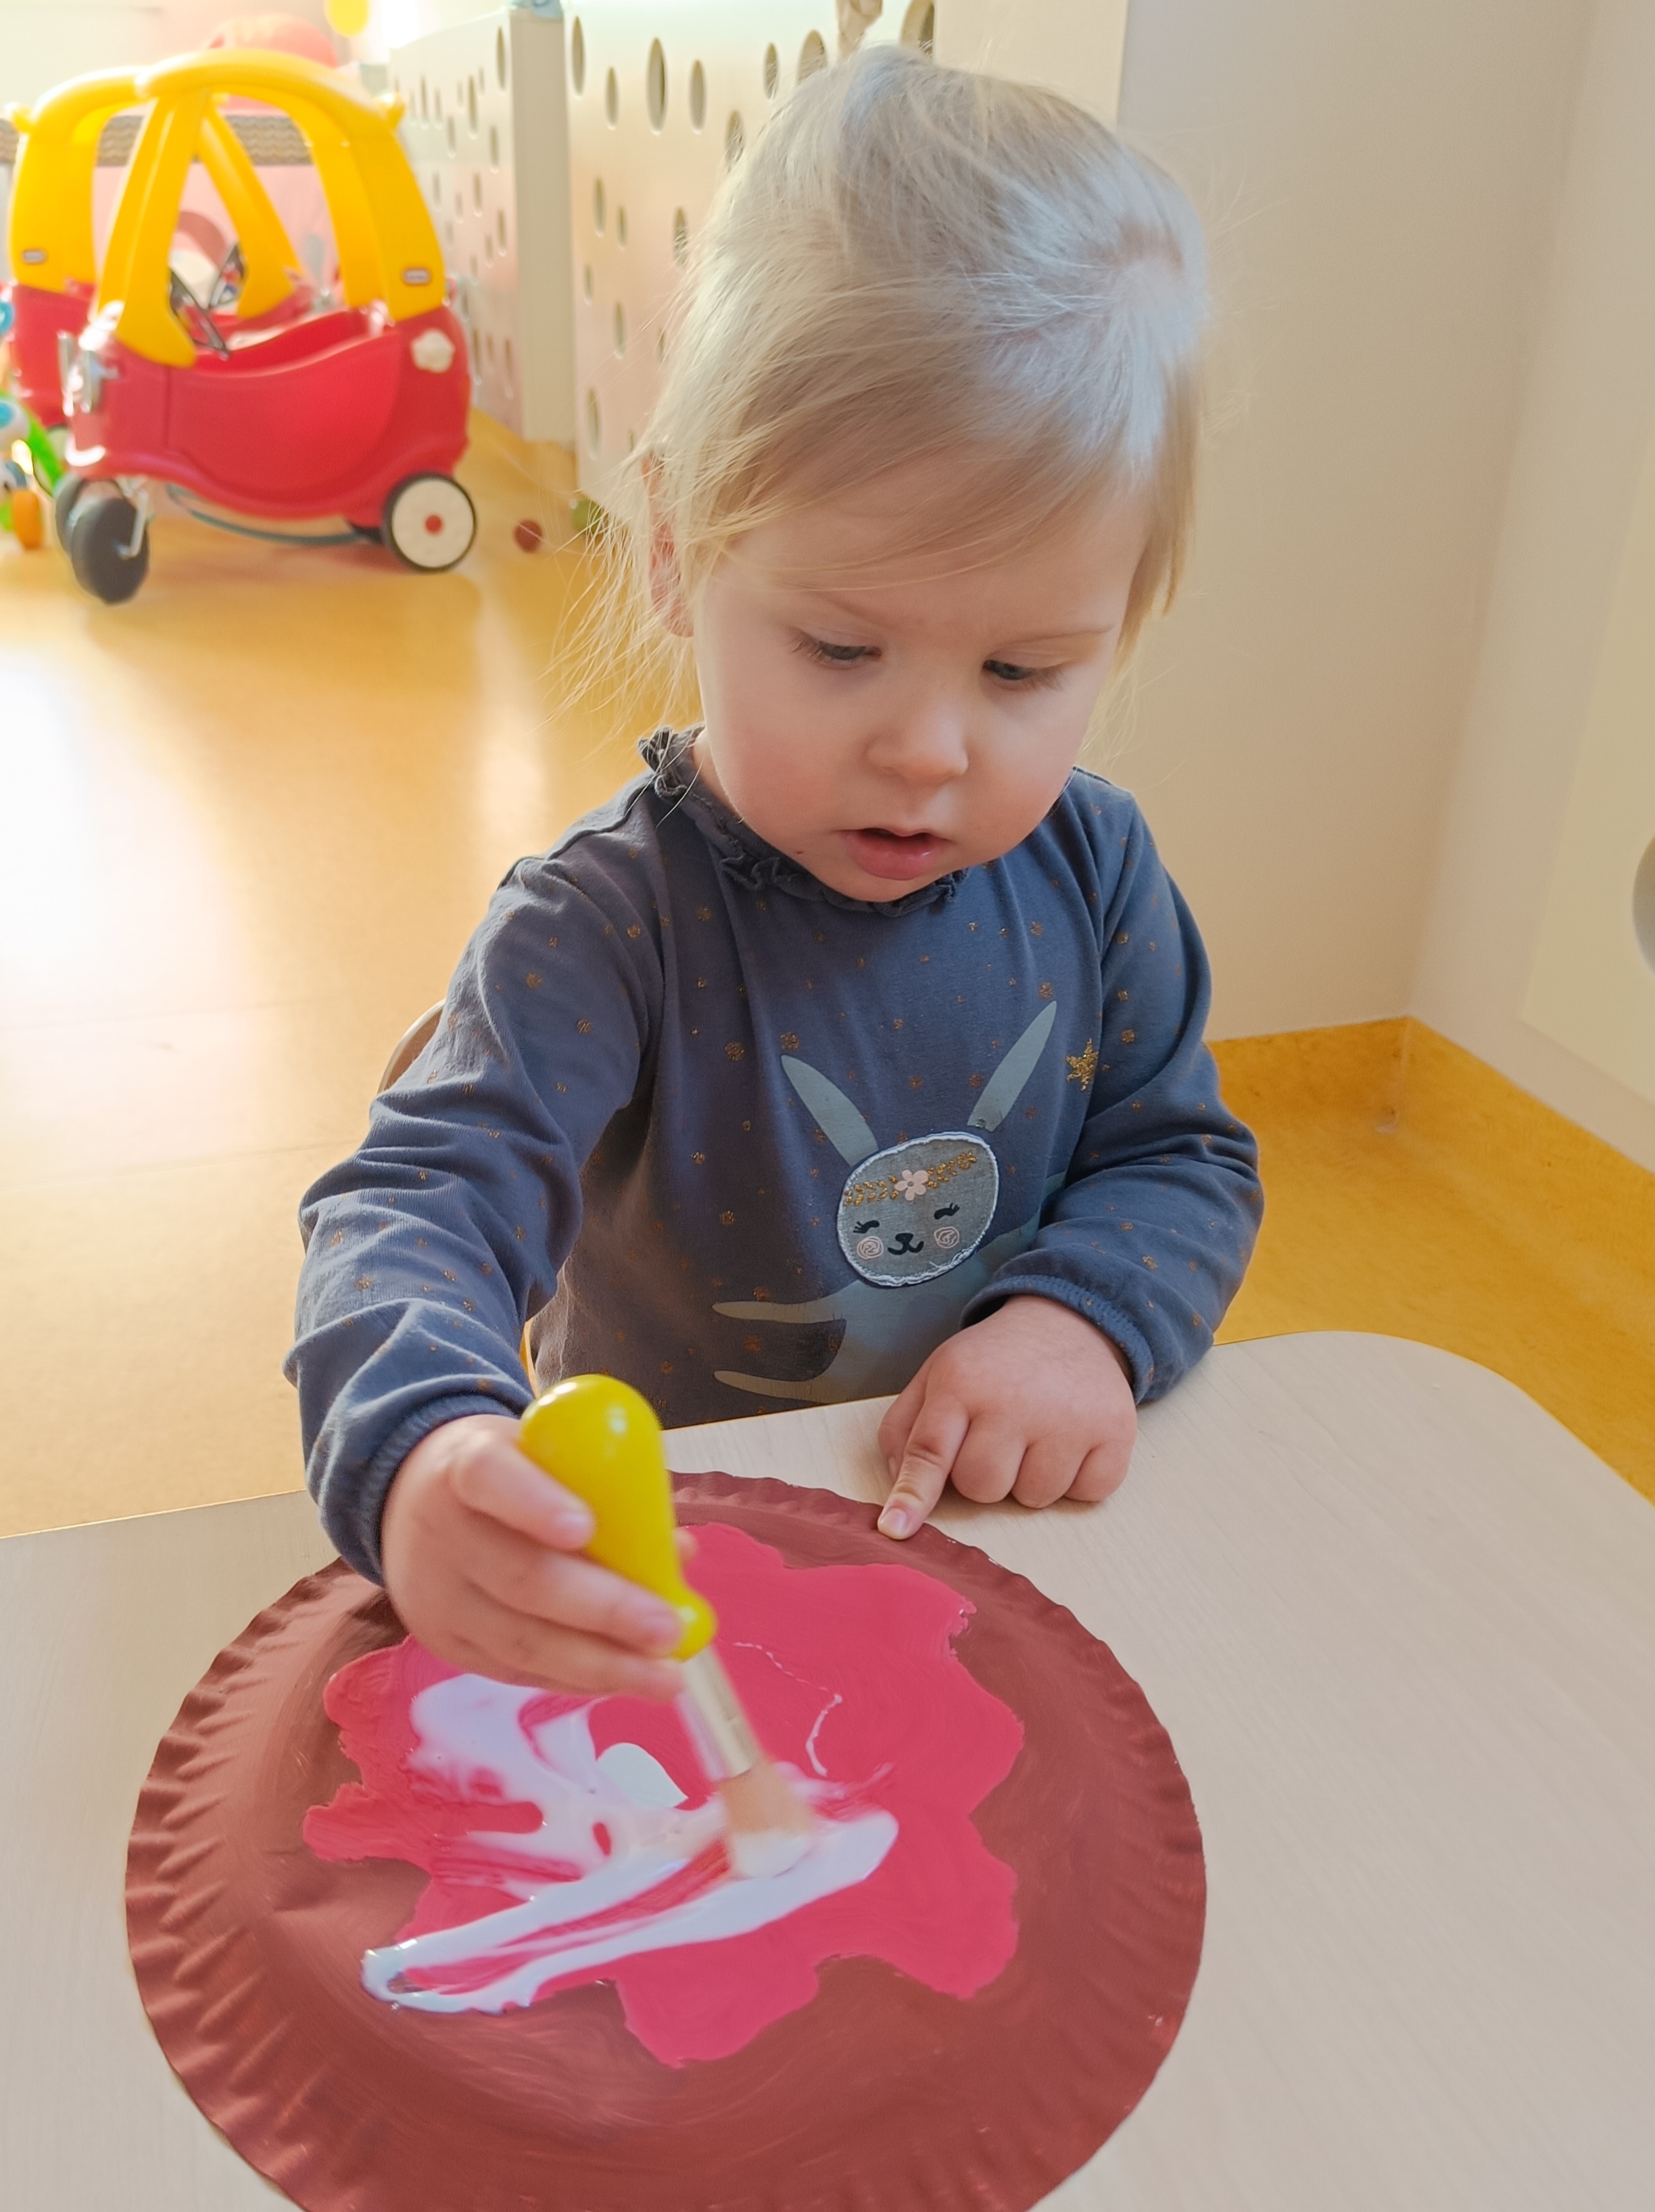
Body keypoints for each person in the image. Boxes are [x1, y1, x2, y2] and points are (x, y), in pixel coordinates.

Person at [287, 46, 1262, 1705]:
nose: (929, 749)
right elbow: (412, 1210)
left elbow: (1180, 1158)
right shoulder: (604, 926)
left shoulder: (1096, 872)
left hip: (979, 1552)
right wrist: (429, 1449)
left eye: (1023, 671)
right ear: (676, 551)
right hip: (667, 1585)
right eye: (841, 647)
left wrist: (1082, 1320)